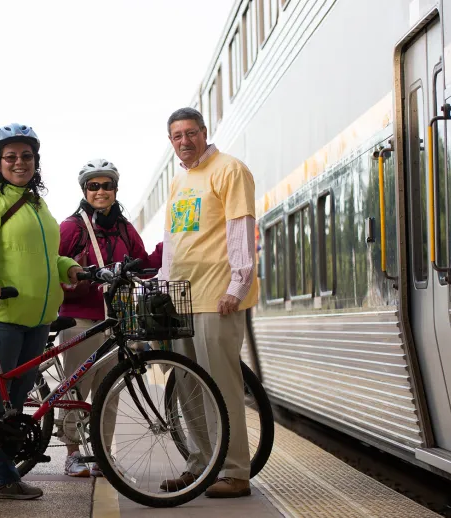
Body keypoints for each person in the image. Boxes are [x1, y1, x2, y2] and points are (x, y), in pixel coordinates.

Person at [0, 123, 82, 501]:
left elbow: (44, 256)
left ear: (35, 160)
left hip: (35, 319)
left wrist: (66, 268)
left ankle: (0, 476)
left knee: (15, 401)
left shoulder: (37, 203)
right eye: (10, 157)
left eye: (26, 156)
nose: (19, 162)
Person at [157, 107, 258, 498]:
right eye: (176, 136)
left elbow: (240, 227)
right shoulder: (179, 180)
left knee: (221, 384)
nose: (184, 141)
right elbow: (172, 240)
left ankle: (234, 471)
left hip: (218, 299)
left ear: (203, 132)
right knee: (188, 386)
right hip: (182, 298)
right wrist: (164, 287)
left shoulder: (229, 170)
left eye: (190, 133)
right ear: (171, 142)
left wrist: (237, 284)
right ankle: (200, 464)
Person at [56, 158, 153, 477]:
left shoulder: (125, 228)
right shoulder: (72, 227)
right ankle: (72, 454)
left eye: (106, 185)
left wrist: (172, 247)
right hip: (79, 320)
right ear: (84, 190)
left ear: (115, 189)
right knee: (75, 388)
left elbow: (144, 263)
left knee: (109, 391)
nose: (101, 191)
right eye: (93, 186)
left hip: (117, 321)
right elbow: (53, 266)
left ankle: (102, 455)